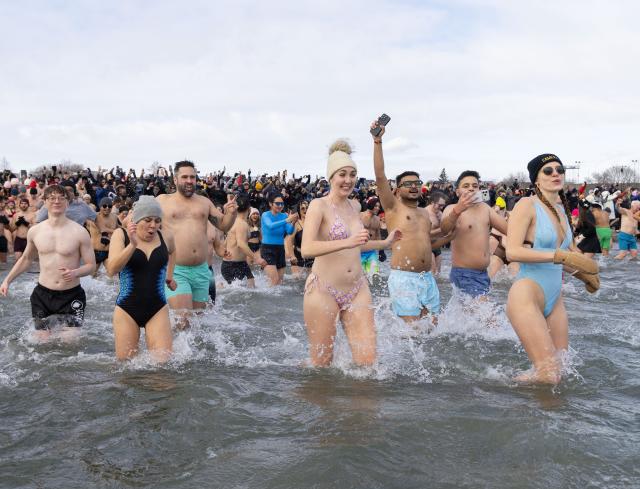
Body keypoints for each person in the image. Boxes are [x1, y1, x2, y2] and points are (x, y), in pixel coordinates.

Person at [301, 139, 399, 367]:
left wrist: (384, 243)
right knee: (321, 365)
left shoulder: (354, 206)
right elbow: (307, 249)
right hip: (323, 289)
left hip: (357, 288)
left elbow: (357, 245)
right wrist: (348, 241)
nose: (348, 180)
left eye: (352, 174)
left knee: (369, 364)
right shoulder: (319, 205)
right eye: (342, 174)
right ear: (331, 177)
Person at [505, 154, 599, 384]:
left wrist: (587, 278)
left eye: (559, 169)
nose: (556, 173)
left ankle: (543, 415)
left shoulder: (561, 211)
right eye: (548, 170)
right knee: (549, 376)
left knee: (561, 374)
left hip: (555, 298)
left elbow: (568, 258)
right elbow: (513, 252)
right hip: (527, 293)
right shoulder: (526, 205)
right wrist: (557, 255)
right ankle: (498, 392)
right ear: (536, 179)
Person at [372, 124, 450, 323]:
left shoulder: (424, 214)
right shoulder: (393, 208)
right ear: (397, 190)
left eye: (417, 182)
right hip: (403, 278)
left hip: (427, 278)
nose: (414, 186)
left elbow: (427, 243)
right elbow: (380, 176)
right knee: (412, 333)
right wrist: (378, 141)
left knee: (433, 330)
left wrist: (450, 236)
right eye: (407, 184)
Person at [0, 185, 96, 341]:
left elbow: (91, 265)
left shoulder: (80, 232)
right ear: (44, 201)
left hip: (71, 295)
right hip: (42, 295)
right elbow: (25, 259)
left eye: (61, 198)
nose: (56, 201)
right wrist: (7, 280)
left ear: (67, 202)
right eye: (52, 198)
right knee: (42, 344)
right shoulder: (35, 231)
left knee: (69, 344)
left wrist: (75, 272)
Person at [157, 161, 237, 326]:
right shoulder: (162, 201)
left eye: (192, 177)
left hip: (201, 270)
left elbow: (223, 225)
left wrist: (232, 213)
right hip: (176, 270)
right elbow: (143, 223)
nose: (189, 180)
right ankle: (171, 350)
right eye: (184, 177)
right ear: (175, 179)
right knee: (183, 321)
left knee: (198, 326)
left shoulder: (204, 202)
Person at [106, 196, 176, 362]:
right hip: (126, 309)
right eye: (148, 220)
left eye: (157, 220)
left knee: (163, 367)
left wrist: (169, 276)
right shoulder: (120, 235)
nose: (153, 225)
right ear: (136, 220)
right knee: (127, 367)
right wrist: (132, 245)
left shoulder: (166, 236)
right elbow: (111, 269)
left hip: (157, 308)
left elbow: (172, 252)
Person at [440, 171, 508, 298]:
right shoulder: (451, 208)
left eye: (475, 186)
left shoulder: (485, 209)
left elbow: (508, 230)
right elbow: (444, 230)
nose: (471, 188)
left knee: (471, 316)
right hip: (464, 274)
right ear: (457, 192)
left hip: (483, 274)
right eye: (466, 186)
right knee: (489, 317)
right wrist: (457, 211)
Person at [221, 195, 266, 286]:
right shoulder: (242, 224)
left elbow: (226, 242)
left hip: (236, 263)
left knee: (251, 287)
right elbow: (241, 244)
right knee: (243, 291)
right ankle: (219, 287)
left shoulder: (233, 222)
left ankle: (220, 286)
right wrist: (257, 258)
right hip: (233, 264)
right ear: (249, 209)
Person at [260, 193, 297, 285]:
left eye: (282, 204)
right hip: (268, 249)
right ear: (270, 204)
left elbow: (289, 231)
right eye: (277, 203)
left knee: (280, 282)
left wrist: (293, 223)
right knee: (274, 280)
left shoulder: (284, 216)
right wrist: (287, 220)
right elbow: (270, 226)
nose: (280, 206)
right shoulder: (265, 215)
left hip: (280, 249)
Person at [286, 200, 314, 277]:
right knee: (297, 281)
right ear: (299, 210)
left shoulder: (315, 223)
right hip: (298, 256)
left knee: (310, 281)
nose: (305, 210)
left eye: (307, 208)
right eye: (303, 208)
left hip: (312, 256)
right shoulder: (296, 224)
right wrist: (292, 256)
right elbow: (289, 241)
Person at [359, 197, 382, 278]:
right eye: (376, 206)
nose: (378, 208)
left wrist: (381, 250)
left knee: (374, 276)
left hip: (371, 252)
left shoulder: (377, 219)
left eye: (379, 206)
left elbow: (378, 235)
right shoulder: (360, 215)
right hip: (358, 251)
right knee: (360, 278)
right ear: (370, 205)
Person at [426, 192, 447, 276]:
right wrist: (441, 229)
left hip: (437, 245)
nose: (441, 207)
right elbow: (424, 233)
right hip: (427, 246)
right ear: (432, 203)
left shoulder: (440, 213)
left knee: (438, 274)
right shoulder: (425, 213)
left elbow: (445, 231)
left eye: (443, 205)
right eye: (440, 205)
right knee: (432, 272)